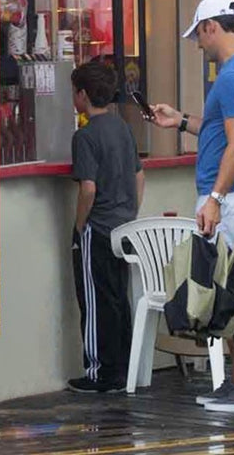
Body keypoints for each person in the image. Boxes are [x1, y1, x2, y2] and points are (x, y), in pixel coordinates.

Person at [150, 0, 234, 413]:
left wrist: (216, 198)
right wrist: (180, 120)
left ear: (211, 27)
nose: (198, 45)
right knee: (227, 289)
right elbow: (225, 133)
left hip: (233, 195)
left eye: (199, 35)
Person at [68, 61, 145, 393]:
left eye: (74, 92)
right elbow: (139, 176)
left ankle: (100, 372)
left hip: (97, 229)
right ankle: (123, 369)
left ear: (83, 95)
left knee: (94, 301)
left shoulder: (84, 136)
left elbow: (88, 188)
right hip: (124, 228)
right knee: (118, 300)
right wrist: (130, 213)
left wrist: (79, 226)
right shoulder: (122, 128)